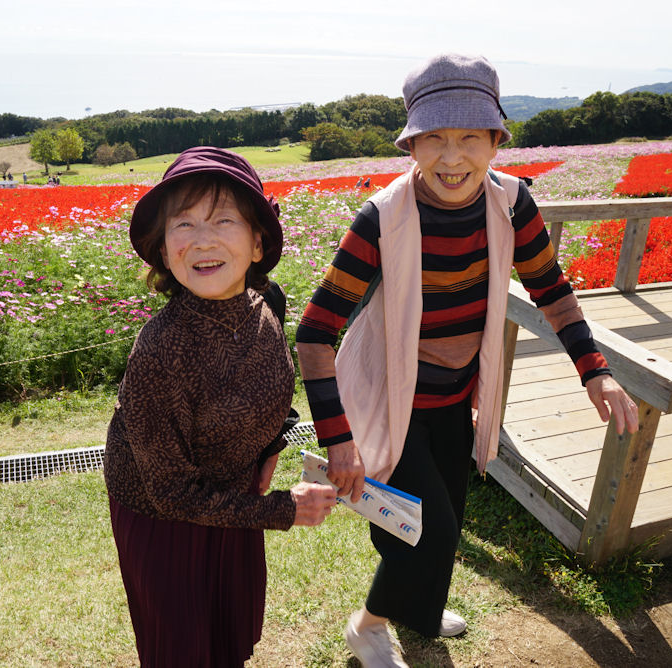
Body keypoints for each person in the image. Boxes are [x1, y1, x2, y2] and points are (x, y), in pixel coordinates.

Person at [295, 54, 640, 667]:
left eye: (469, 139)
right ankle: (368, 626)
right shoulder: (381, 219)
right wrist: (338, 439)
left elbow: (552, 290)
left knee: (443, 515)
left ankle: (420, 611)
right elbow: (315, 332)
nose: (452, 158)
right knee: (427, 531)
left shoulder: (512, 205)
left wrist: (598, 371)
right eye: (435, 138)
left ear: (495, 141)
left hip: (456, 396)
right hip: (388, 400)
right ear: (412, 142)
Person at [103, 146, 338, 667]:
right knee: (184, 647)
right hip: (164, 522)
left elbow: (276, 388)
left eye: (224, 220)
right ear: (164, 251)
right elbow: (171, 492)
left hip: (232, 501)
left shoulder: (267, 304)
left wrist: (272, 445)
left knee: (229, 631)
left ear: (258, 242)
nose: (203, 240)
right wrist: (283, 509)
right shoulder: (161, 349)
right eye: (182, 224)